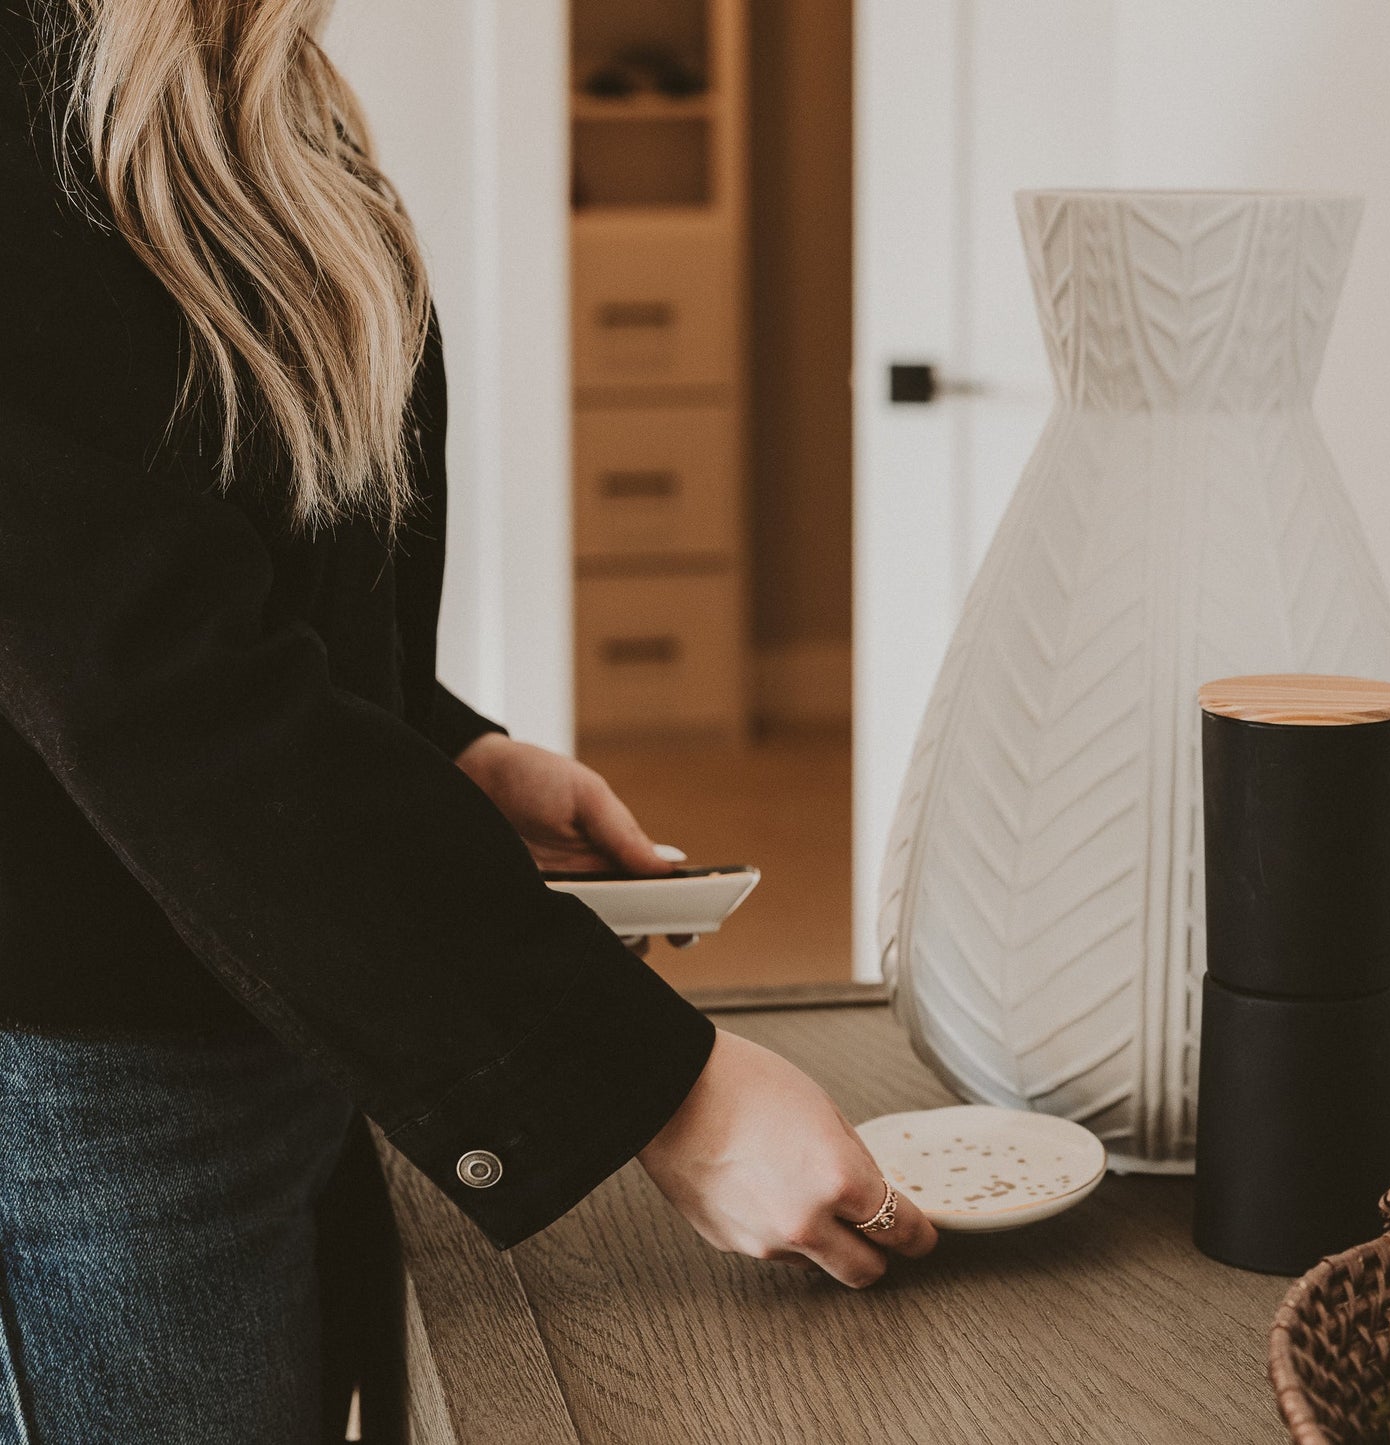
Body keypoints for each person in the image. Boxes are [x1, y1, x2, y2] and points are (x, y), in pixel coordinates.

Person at [0, 2, 938, 1440]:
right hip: (96, 1086)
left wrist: (440, 747)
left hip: (255, 1013)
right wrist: (665, 1091)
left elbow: (216, 561)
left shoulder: (254, 80)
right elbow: (151, 686)